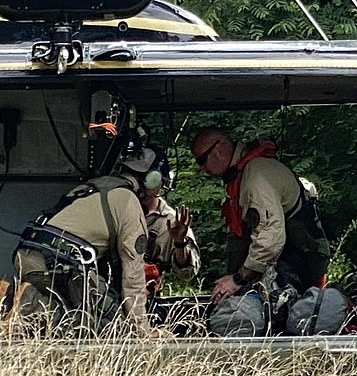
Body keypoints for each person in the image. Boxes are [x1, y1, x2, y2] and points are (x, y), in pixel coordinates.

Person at [11, 148, 164, 338]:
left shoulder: (92, 187)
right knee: (115, 329)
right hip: (64, 262)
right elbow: (133, 274)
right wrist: (142, 330)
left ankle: (35, 301)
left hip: (29, 255)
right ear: (152, 178)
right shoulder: (128, 202)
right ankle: (34, 302)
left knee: (70, 314)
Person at [190, 128, 330, 308]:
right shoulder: (245, 174)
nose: (202, 169)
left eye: (202, 160)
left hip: (296, 272)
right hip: (292, 268)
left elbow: (269, 238)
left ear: (220, 148)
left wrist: (237, 279)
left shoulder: (256, 175)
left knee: (240, 317)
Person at [121, 147, 200, 294]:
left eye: (140, 176)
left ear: (155, 180)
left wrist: (179, 243)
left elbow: (187, 273)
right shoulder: (117, 210)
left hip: (144, 301)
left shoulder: (169, 222)